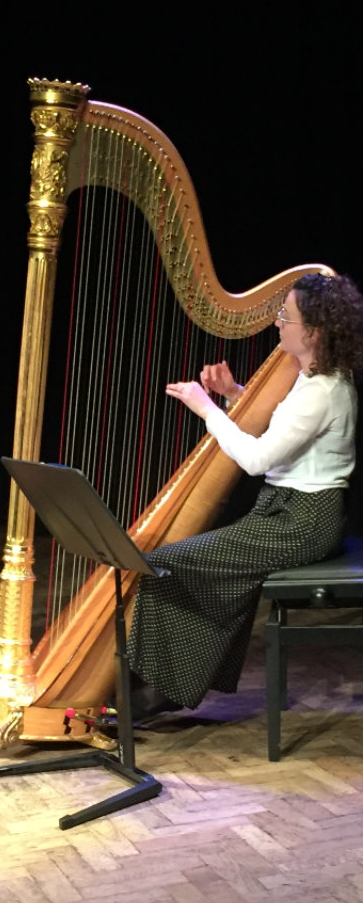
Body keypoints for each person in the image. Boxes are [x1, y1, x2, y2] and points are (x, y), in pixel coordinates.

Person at [128, 272, 363, 719]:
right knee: (195, 563)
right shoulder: (315, 377)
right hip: (286, 512)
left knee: (168, 560)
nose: (277, 324)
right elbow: (283, 432)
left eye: (285, 316)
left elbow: (256, 460)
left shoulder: (323, 390)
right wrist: (234, 395)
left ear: (311, 332)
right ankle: (167, 684)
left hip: (302, 521)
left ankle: (156, 688)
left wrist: (206, 408)